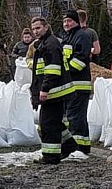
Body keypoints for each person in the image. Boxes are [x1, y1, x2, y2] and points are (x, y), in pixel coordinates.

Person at [29, 17, 78, 164]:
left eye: (38, 28)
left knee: (47, 124)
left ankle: (51, 156)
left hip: (53, 92)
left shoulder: (50, 44)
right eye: (33, 29)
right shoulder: (46, 43)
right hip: (55, 91)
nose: (35, 31)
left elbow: (52, 70)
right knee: (54, 122)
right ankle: (68, 144)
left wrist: (44, 90)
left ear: (46, 27)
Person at [62, 10, 92, 155]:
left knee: (75, 117)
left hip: (79, 84)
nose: (66, 24)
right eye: (64, 21)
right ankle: (81, 146)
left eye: (69, 21)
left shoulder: (82, 37)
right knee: (73, 116)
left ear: (76, 22)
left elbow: (80, 61)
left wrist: (64, 73)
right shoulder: (68, 38)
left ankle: (78, 149)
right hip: (71, 85)